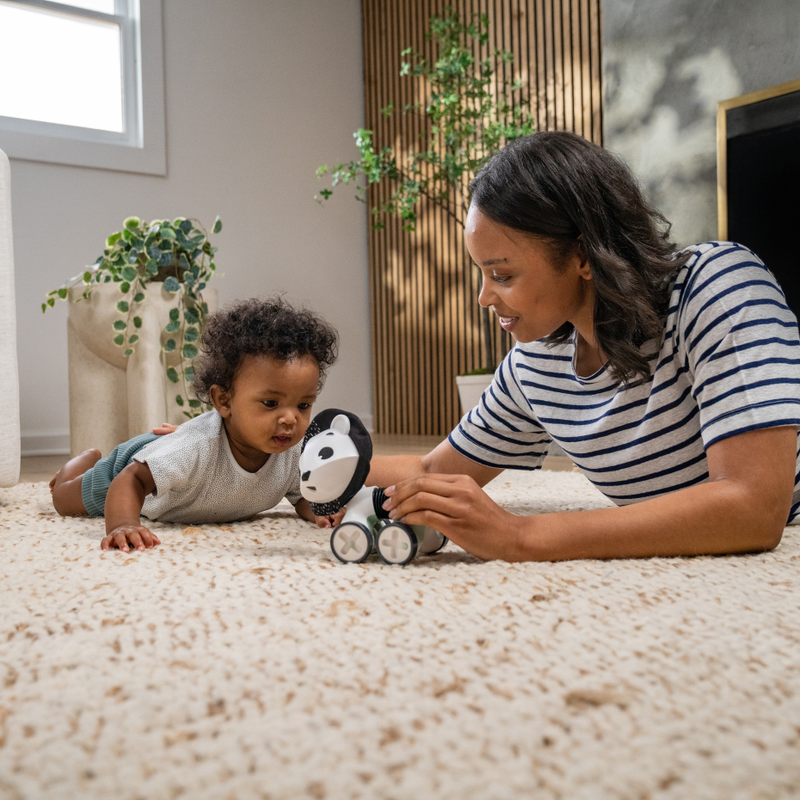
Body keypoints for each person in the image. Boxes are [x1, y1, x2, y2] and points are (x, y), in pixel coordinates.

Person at [371, 131, 800, 562]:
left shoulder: (717, 286)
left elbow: (754, 508)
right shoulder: (536, 362)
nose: (484, 297)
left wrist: (522, 536)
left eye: (501, 275)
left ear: (582, 255)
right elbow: (430, 472)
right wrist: (306, 471)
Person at [49, 296, 339, 552]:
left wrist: (319, 510)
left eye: (303, 405)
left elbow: (303, 494)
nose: (291, 419)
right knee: (63, 501)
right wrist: (123, 524)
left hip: (166, 462)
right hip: (129, 468)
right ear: (224, 401)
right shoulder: (193, 449)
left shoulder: (294, 453)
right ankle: (82, 462)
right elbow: (132, 479)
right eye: (271, 403)